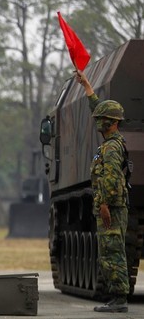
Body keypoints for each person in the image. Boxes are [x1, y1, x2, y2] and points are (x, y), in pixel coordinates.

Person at [76, 70, 129, 313]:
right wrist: (86, 85)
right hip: (111, 206)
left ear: (113, 122)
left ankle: (119, 299)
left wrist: (105, 204)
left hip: (112, 208)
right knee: (108, 250)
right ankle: (116, 297)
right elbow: (98, 108)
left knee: (112, 251)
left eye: (104, 119)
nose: (99, 122)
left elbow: (109, 178)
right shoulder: (110, 142)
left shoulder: (111, 148)